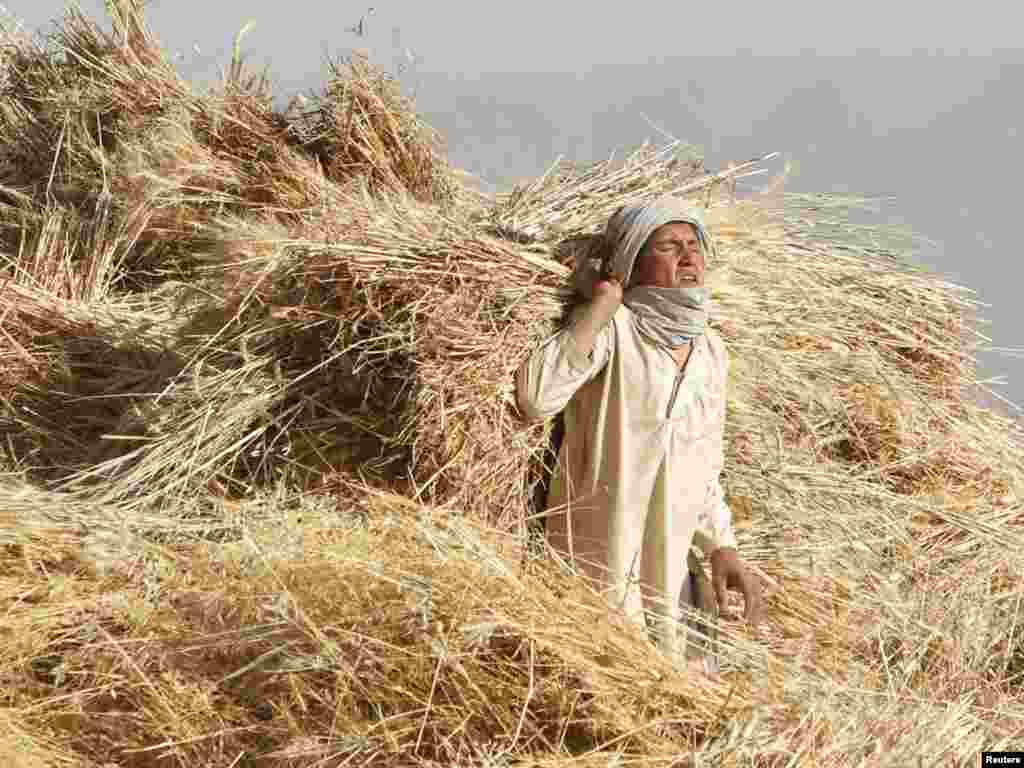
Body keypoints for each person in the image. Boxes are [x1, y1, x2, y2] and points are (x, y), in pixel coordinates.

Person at [516, 197, 762, 663]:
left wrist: (722, 547)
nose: (688, 258)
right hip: (598, 553)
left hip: (673, 572)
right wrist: (603, 304)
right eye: (669, 247)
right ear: (633, 260)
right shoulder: (616, 330)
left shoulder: (711, 352)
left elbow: (704, 462)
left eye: (694, 246)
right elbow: (535, 399)